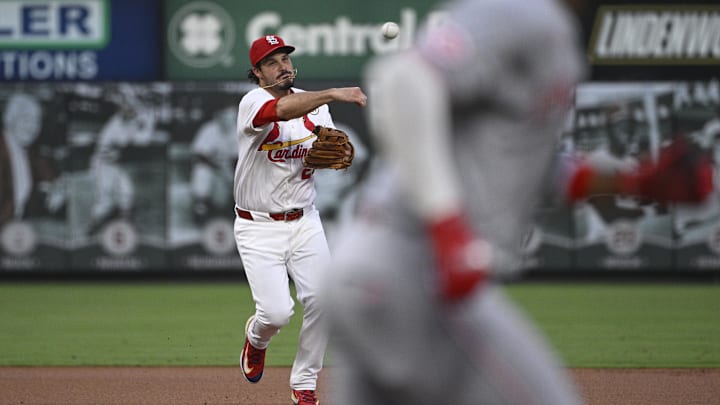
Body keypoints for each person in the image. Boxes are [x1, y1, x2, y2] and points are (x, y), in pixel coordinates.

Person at [321, 0, 714, 404]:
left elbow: (533, 169)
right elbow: (404, 79)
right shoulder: (526, 13)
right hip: (412, 268)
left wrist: (630, 182)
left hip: (365, 267)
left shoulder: (553, 35)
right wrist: (448, 228)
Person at [233, 34, 366, 405]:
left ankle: (304, 382)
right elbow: (278, 113)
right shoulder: (252, 101)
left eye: (286, 59)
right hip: (258, 226)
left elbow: (317, 151)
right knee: (276, 313)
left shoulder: (315, 108)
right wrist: (333, 93)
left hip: (305, 220)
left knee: (325, 299)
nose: (283, 66)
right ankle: (257, 339)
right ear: (258, 72)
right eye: (272, 62)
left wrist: (325, 154)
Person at [87, 84, 158, 235]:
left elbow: (142, 141)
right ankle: (94, 224)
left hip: (119, 161)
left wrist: (143, 121)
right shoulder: (114, 125)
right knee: (105, 199)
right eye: (122, 103)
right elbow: (111, 150)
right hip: (104, 162)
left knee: (126, 193)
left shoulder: (139, 117)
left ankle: (124, 224)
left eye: (128, 102)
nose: (126, 105)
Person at [1, 92, 63, 225]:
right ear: (10, 119)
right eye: (26, 119)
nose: (33, 127)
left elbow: (49, 175)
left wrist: (56, 188)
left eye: (37, 121)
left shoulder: (27, 151)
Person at [189, 105, 237, 223]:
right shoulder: (209, 129)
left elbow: (238, 159)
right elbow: (198, 156)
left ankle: (237, 209)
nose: (227, 118)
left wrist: (233, 177)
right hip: (211, 169)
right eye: (224, 115)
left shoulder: (238, 131)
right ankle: (201, 207)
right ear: (218, 116)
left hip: (227, 171)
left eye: (231, 115)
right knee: (201, 171)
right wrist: (218, 168)